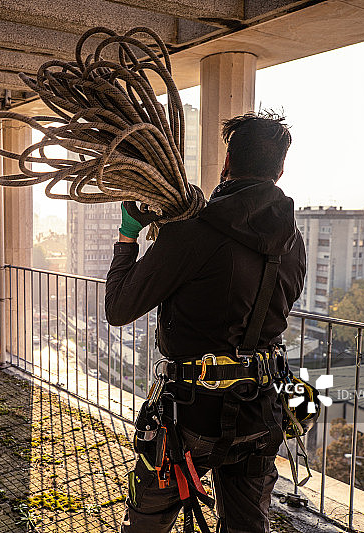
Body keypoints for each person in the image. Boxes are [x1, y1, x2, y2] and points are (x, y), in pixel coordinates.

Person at [105, 111, 306, 533]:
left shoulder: (192, 232)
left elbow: (119, 308)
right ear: (281, 169)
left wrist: (129, 237)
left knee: (147, 525)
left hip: (190, 417)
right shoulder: (293, 240)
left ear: (227, 163)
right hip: (261, 411)